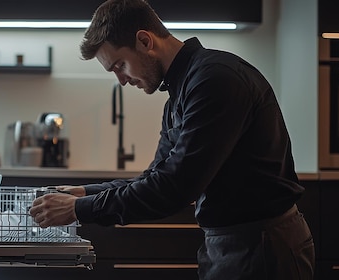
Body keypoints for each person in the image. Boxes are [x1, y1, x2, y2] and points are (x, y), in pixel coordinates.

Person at [29, 0, 315, 279]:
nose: (122, 80)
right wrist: (85, 192)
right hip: (229, 245)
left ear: (144, 41)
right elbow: (155, 177)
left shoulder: (215, 80)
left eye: (120, 65)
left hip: (263, 247)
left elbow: (174, 187)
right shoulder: (181, 93)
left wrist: (79, 209)